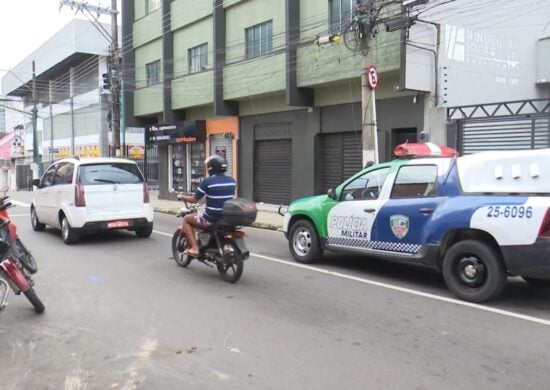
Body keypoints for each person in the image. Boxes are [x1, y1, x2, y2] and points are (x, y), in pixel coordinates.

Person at [176, 155, 236, 257]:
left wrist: (182, 196)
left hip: (211, 218)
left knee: (186, 219)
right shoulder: (231, 180)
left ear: (210, 168)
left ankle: (195, 248)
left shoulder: (207, 181)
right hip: (226, 217)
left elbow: (194, 200)